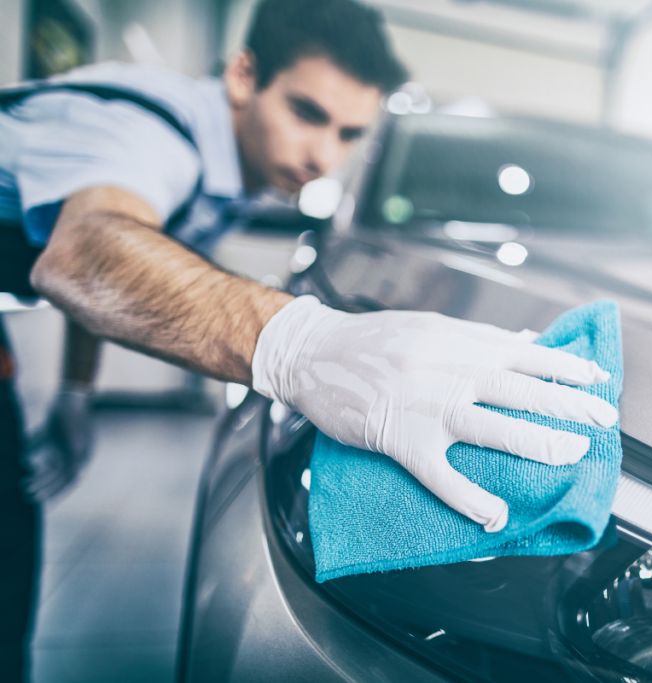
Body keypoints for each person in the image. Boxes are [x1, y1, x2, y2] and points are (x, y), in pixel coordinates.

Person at [0, 0, 618, 678]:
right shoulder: (149, 130)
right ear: (243, 76)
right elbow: (87, 249)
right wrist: (296, 341)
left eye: (351, 132)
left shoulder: (231, 166)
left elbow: (109, 257)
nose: (324, 155)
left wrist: (75, 392)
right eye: (307, 113)